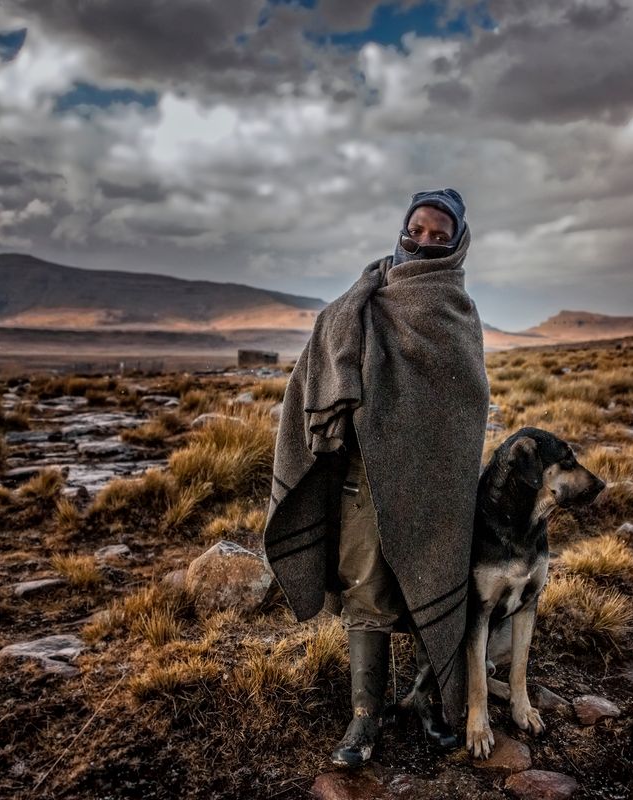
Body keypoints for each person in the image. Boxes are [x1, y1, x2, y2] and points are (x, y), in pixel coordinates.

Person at [262, 189, 490, 767]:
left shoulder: (458, 312)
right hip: (365, 473)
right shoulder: (361, 301)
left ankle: (430, 701)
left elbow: (469, 400)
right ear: (402, 229)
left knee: (430, 580)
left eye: (441, 233)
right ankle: (363, 718)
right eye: (418, 228)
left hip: (438, 482)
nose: (426, 240)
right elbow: (316, 361)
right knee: (366, 582)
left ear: (457, 241)